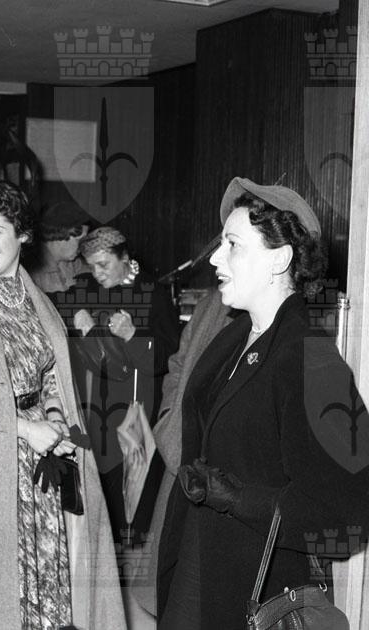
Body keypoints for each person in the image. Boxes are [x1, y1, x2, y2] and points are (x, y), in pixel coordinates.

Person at [157, 177, 369, 629]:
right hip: (198, 565)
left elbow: (351, 511)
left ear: (279, 259)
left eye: (232, 245)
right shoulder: (230, 340)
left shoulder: (312, 360)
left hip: (258, 588)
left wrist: (240, 499)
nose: (215, 258)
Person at [0, 179, 126, 630]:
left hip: (42, 466)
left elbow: (50, 374)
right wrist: (26, 428)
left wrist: (54, 419)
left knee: (52, 579)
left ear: (23, 235)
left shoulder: (39, 303)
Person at [70, 226, 179, 547]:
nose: (97, 273)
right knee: (101, 492)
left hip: (136, 411)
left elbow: (169, 357)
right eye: (92, 266)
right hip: (96, 408)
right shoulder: (87, 289)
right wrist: (79, 323)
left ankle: (131, 554)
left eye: (103, 264)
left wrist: (133, 335)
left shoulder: (153, 293)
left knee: (134, 493)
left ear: (125, 258)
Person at [130, 288, 234, 617]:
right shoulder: (211, 304)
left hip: (227, 471)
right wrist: (169, 422)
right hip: (183, 453)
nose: (217, 262)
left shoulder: (274, 314)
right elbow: (176, 364)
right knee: (169, 579)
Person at [26, 200, 90, 301]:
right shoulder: (32, 272)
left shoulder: (72, 263)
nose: (83, 245)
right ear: (61, 233)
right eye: (80, 240)